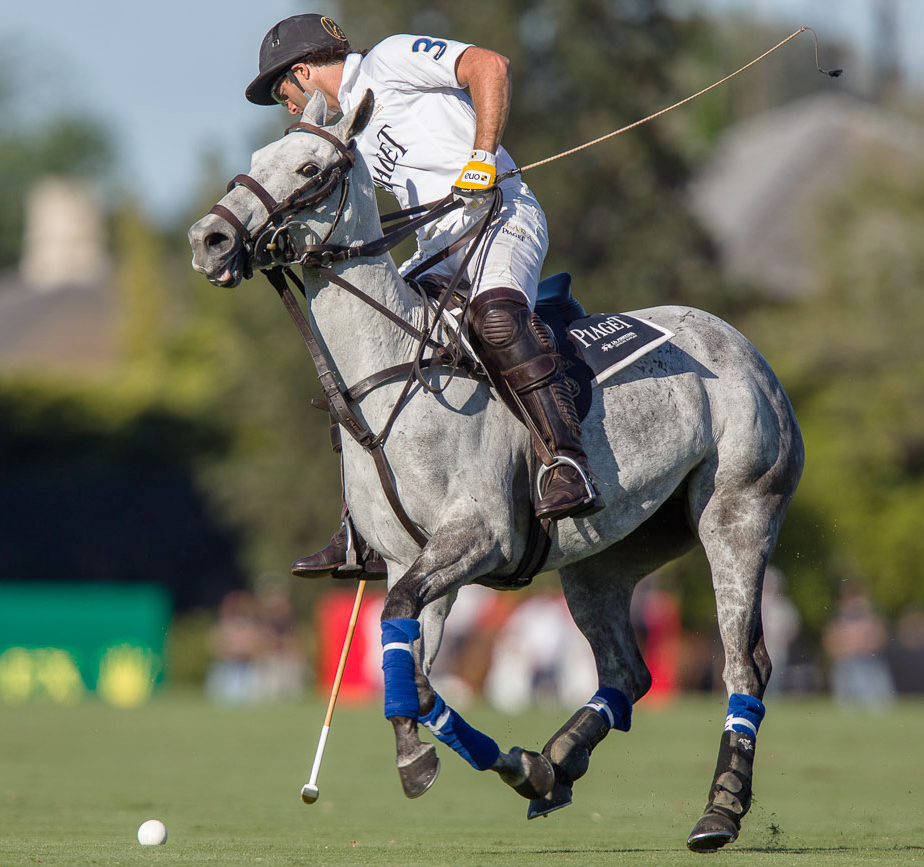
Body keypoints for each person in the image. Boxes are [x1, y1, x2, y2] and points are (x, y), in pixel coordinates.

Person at [245, 14, 601, 579]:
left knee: (497, 320)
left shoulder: (389, 59)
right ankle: (360, 525)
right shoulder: (349, 130)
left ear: (304, 70)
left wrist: (482, 158)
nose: (287, 106)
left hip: (500, 215)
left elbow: (489, 65)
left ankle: (566, 461)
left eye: (280, 90)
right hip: (438, 242)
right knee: (364, 349)